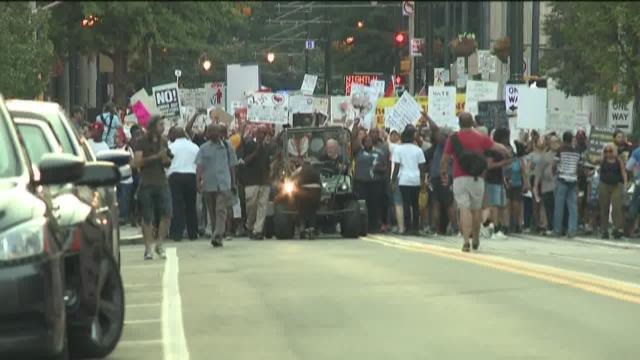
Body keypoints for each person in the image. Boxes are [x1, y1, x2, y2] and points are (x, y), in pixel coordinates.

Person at [441, 112, 509, 252]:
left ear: (459, 123)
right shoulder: (480, 138)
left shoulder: (453, 138)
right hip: (477, 178)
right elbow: (498, 147)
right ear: (472, 122)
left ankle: (466, 241)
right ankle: (476, 238)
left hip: (460, 177)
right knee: (476, 209)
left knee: (464, 208)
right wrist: (508, 154)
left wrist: (443, 172)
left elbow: (445, 158)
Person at [133, 116, 172, 260]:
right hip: (146, 182)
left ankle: (159, 244)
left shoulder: (164, 141)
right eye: (160, 124)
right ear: (153, 126)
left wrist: (165, 158)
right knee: (147, 217)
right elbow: (137, 163)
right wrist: (156, 156)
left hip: (162, 181)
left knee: (167, 214)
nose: (163, 127)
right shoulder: (141, 142)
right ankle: (148, 248)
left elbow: (167, 163)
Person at [196, 124, 238, 247]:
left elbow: (232, 165)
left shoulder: (227, 146)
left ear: (219, 133)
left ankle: (218, 234)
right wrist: (198, 181)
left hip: (223, 184)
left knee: (220, 210)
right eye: (210, 131)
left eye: (214, 131)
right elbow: (199, 166)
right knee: (212, 212)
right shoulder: (203, 148)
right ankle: (217, 234)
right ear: (207, 134)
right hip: (209, 185)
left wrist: (233, 182)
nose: (212, 133)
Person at [352, 121, 387, 233]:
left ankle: (374, 226)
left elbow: (385, 167)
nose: (368, 142)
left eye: (370, 141)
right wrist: (355, 126)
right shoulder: (358, 152)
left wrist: (378, 169)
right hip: (360, 183)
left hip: (375, 183)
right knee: (362, 205)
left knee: (374, 205)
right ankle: (362, 226)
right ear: (363, 143)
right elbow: (352, 139)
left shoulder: (379, 153)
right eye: (366, 141)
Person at [391, 126, 426, 236]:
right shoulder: (418, 150)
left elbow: (396, 167)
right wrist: (423, 182)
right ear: (413, 138)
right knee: (415, 205)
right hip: (415, 180)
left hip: (404, 180)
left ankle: (407, 227)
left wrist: (393, 181)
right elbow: (422, 168)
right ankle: (416, 228)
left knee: (405, 204)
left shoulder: (398, 149)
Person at [167, 127, 200, 242]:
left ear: (175, 135)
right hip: (191, 176)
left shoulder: (171, 147)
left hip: (175, 176)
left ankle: (177, 233)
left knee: (177, 206)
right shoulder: (194, 146)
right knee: (191, 205)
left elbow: (167, 163)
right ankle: (193, 233)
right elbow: (198, 163)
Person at [242, 125, 272, 240]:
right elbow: (245, 161)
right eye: (260, 133)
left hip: (264, 181)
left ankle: (257, 231)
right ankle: (250, 225)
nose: (262, 136)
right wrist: (256, 152)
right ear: (255, 133)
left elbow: (267, 163)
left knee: (262, 206)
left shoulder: (267, 147)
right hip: (251, 181)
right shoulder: (249, 144)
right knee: (251, 205)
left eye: (265, 134)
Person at [553, 131, 582, 238]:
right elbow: (579, 167)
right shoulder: (577, 151)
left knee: (559, 207)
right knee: (572, 207)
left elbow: (554, 164)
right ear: (571, 139)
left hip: (562, 179)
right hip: (573, 180)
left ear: (563, 139)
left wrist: (554, 172)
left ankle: (557, 230)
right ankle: (572, 230)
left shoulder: (560, 150)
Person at [484, 128, 512, 238]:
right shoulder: (491, 149)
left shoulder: (502, 149)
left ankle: (501, 226)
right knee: (494, 204)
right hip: (492, 180)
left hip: (499, 179)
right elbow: (489, 165)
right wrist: (504, 162)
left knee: (501, 204)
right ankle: (495, 228)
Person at [598, 143, 627, 239]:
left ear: (615, 151)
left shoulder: (619, 161)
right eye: (606, 151)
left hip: (616, 186)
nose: (608, 153)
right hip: (604, 184)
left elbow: (623, 172)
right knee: (604, 207)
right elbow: (594, 161)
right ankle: (604, 230)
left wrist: (625, 184)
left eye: (610, 151)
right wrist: (602, 153)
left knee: (616, 207)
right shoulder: (603, 160)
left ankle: (617, 229)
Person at [534, 134, 559, 236]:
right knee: (549, 207)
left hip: (558, 186)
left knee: (558, 207)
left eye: (557, 141)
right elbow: (538, 171)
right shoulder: (545, 156)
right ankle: (550, 226)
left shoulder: (561, 155)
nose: (555, 144)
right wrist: (535, 186)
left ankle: (557, 227)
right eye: (552, 142)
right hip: (547, 186)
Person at [292, 159, 322, 239]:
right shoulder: (316, 170)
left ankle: (302, 228)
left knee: (302, 211)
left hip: (304, 193)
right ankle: (311, 229)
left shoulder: (300, 169)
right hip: (316, 193)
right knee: (312, 211)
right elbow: (320, 183)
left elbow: (292, 177)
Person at [115, 129, 134, 225]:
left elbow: (132, 162)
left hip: (126, 180)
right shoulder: (114, 149)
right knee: (118, 200)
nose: (115, 139)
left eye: (117, 137)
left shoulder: (127, 149)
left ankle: (124, 217)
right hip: (117, 179)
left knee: (124, 200)